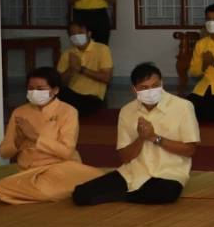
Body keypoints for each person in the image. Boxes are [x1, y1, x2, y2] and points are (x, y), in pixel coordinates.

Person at [73, 63, 199, 206]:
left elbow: (190, 150)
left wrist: (155, 138)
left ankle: (121, 197)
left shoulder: (183, 107)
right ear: (134, 90)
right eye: (144, 88)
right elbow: (125, 157)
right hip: (134, 172)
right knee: (80, 194)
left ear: (162, 83)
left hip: (168, 174)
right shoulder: (127, 111)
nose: (151, 91)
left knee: (165, 193)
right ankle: (131, 195)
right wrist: (141, 138)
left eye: (155, 86)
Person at [0, 68, 101, 203]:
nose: (34, 92)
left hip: (60, 167)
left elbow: (66, 152)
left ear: (55, 90)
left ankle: (49, 190)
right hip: (28, 171)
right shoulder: (19, 112)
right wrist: (18, 141)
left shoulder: (68, 111)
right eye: (31, 88)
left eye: (40, 89)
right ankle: (70, 189)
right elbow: (4, 153)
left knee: (48, 186)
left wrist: (35, 137)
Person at [57, 19, 112, 117]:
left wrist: (81, 69)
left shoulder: (102, 49)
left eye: (80, 32)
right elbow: (61, 82)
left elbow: (106, 78)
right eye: (73, 34)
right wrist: (71, 69)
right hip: (71, 94)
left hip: (92, 97)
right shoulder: (67, 53)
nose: (76, 36)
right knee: (49, 91)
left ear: (89, 33)